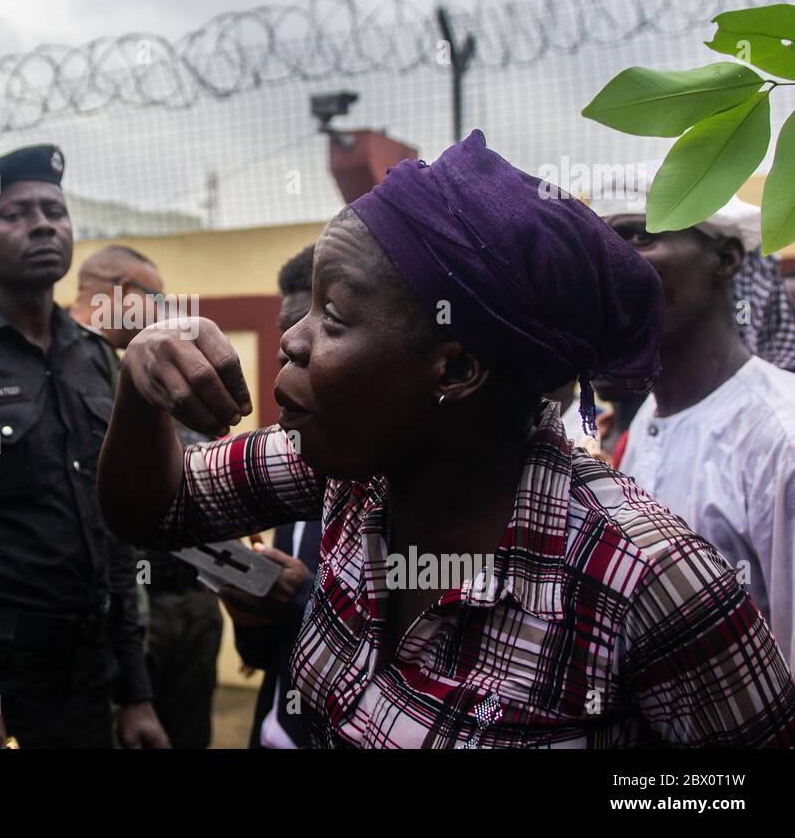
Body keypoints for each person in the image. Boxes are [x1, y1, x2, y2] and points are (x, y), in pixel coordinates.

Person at [97, 130, 795, 748]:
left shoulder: (649, 580)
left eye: (334, 315)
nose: (294, 339)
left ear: (457, 367)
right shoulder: (347, 471)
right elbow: (153, 512)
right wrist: (139, 382)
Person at [0, 144, 168, 748]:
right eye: (15, 214)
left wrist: (134, 696)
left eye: (55, 210)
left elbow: (113, 533)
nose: (43, 225)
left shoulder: (94, 357)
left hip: (89, 674)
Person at [607, 198, 795, 663]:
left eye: (639, 236)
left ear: (726, 259)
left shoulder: (782, 436)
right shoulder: (650, 415)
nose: (615, 260)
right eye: (607, 242)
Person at [70, 245, 221, 748]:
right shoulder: (67, 371)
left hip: (189, 594)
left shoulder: (156, 372)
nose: (166, 310)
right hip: (121, 611)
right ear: (128, 296)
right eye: (158, 296)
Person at [223, 244, 320, 749]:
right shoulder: (293, 461)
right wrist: (250, 612)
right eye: (285, 332)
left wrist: (303, 597)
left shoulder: (407, 483)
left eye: (317, 325)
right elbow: (270, 654)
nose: (290, 348)